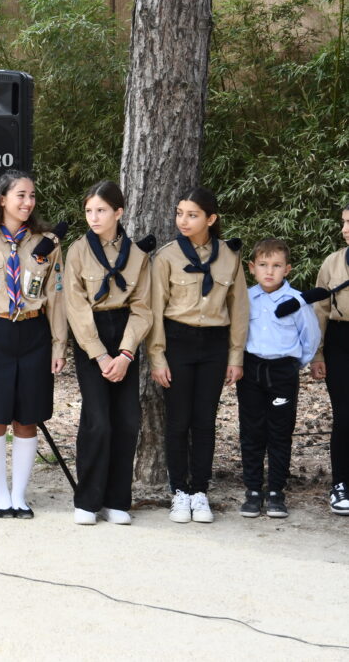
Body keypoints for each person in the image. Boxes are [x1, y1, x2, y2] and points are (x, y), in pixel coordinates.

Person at [0, 170, 67, 519]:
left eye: (32, 196)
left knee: (27, 418)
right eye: (20, 195)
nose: (28, 202)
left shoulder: (47, 243)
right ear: (2, 199)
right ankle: (1, 494)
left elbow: (56, 297)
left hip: (34, 334)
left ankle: (20, 495)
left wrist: (57, 344)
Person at [148, 187, 247, 524]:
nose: (183, 220)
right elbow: (155, 310)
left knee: (204, 421)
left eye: (192, 214)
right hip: (178, 340)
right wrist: (157, 357)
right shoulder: (167, 257)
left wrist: (236, 357)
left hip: (215, 344)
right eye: (179, 213)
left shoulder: (229, 257)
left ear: (211, 219)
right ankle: (179, 491)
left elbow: (239, 309)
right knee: (178, 421)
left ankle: (200, 491)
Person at [64, 181, 152, 526]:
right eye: (88, 211)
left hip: (126, 334)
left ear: (118, 212)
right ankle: (88, 499)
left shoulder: (138, 256)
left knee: (127, 421)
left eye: (101, 210)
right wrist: (100, 355)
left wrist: (127, 353)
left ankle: (117, 500)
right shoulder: (78, 251)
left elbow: (143, 307)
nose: (94, 217)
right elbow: (75, 306)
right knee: (98, 421)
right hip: (91, 336)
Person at [237, 238, 319, 518]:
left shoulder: (296, 301)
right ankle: (252, 491)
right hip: (251, 369)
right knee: (251, 430)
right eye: (263, 265)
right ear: (252, 268)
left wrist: (296, 364)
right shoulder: (245, 299)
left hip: (282, 371)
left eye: (276, 265)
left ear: (288, 269)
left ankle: (275, 492)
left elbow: (310, 337)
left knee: (280, 432)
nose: (269, 271)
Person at [310, 205, 349, 515]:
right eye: (344, 222)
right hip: (341, 341)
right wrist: (317, 353)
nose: (345, 229)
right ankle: (341, 484)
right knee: (344, 415)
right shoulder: (333, 263)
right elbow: (320, 310)